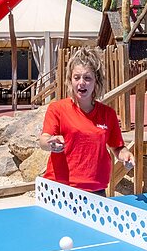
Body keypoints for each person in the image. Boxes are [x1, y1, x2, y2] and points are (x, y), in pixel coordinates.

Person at [40, 47, 133, 196]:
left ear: (96, 81)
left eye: (87, 78)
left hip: (96, 191)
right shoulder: (57, 108)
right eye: (77, 77)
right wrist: (50, 143)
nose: (81, 83)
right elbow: (44, 140)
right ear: (70, 80)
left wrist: (126, 155)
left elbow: (117, 148)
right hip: (60, 189)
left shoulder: (108, 114)